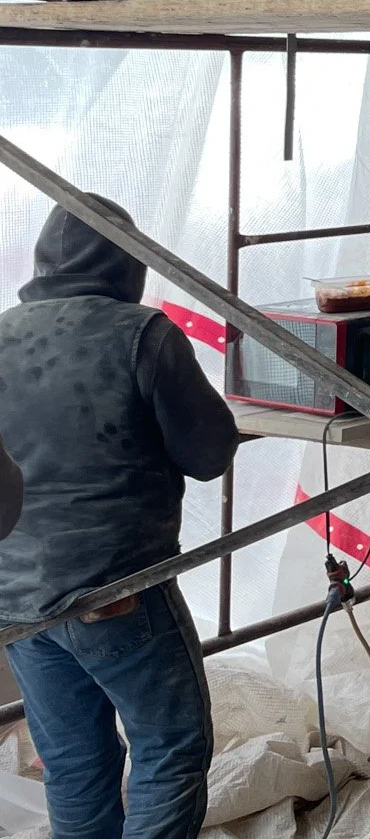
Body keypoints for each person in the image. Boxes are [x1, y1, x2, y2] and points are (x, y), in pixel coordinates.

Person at [0, 197, 240, 839]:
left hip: (16, 600)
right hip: (116, 588)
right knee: (170, 748)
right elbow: (209, 456)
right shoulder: (141, 333)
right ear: (129, 262)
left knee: (74, 761)